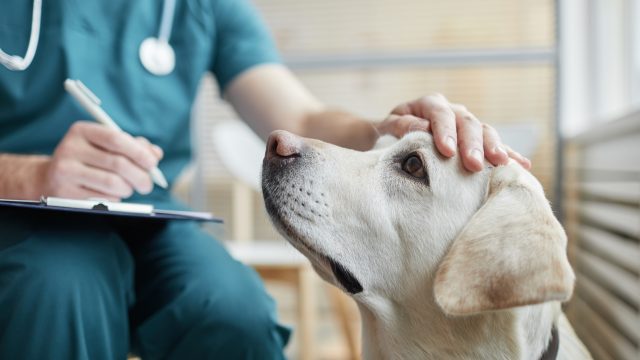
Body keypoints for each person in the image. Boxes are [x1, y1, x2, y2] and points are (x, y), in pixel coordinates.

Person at [0, 0, 530, 359]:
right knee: (58, 289)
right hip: (16, 216)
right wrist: (31, 174)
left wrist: (381, 127)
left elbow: (299, 119)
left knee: (235, 312)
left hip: (150, 214)